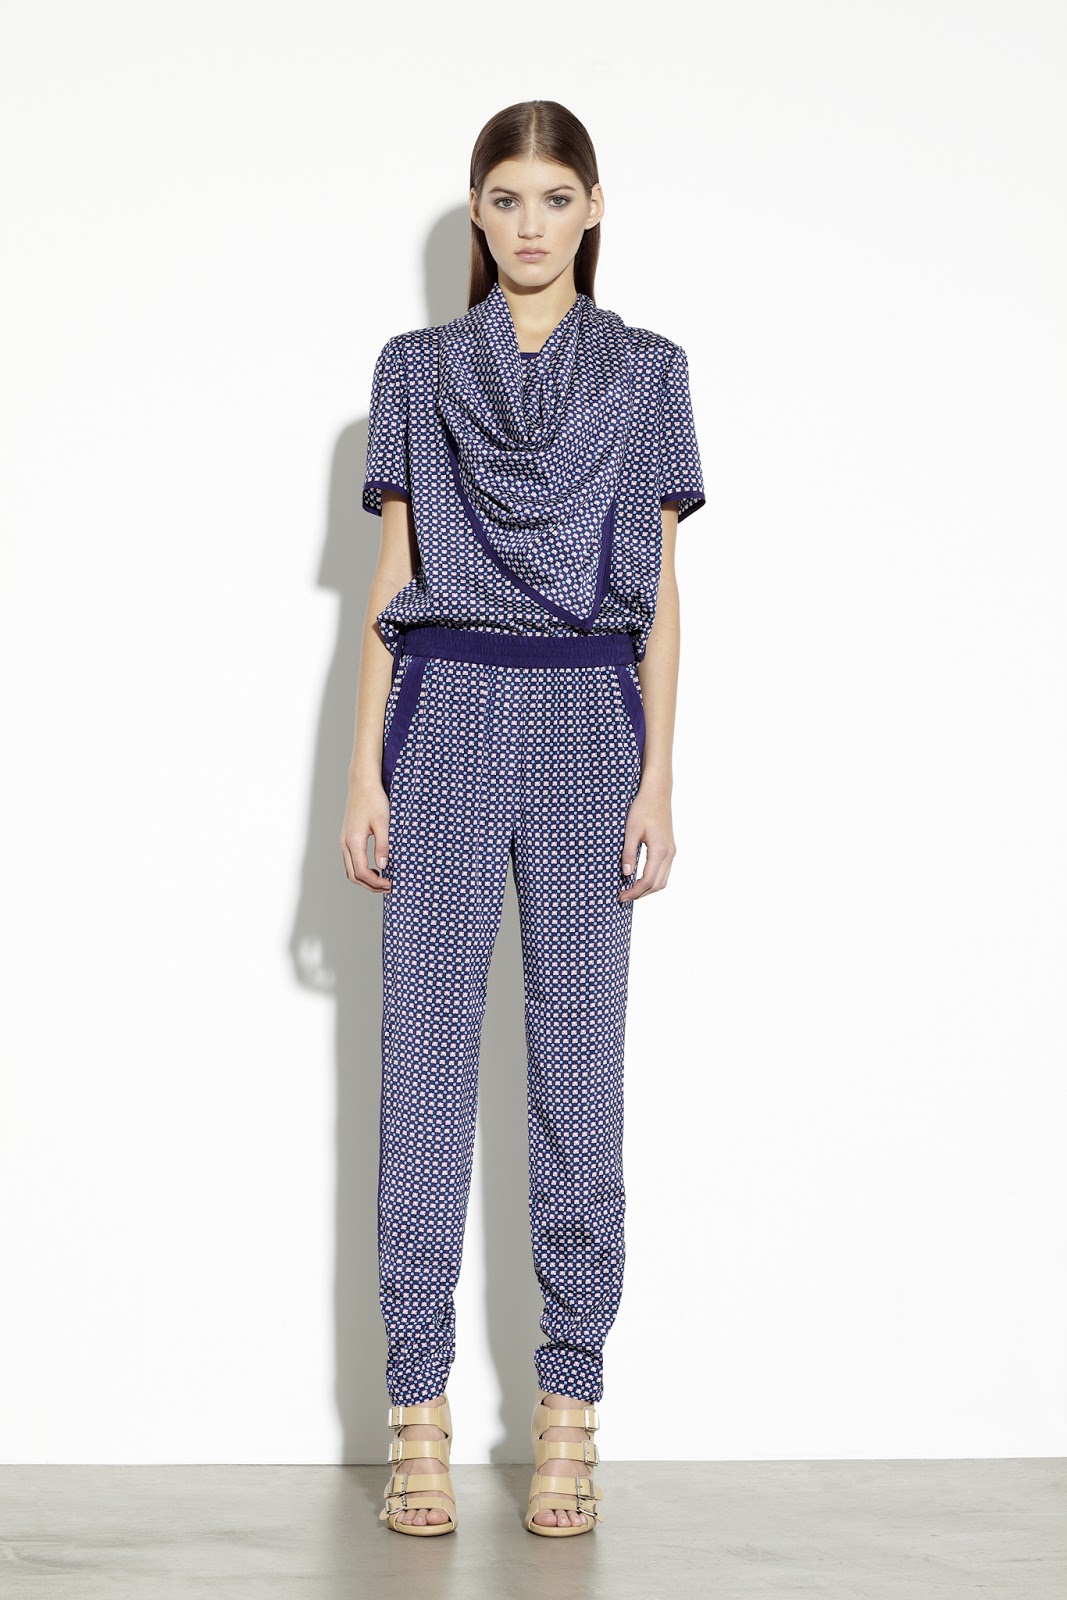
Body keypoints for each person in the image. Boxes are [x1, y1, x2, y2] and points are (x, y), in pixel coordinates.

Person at [340, 99, 705, 1539]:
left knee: (578, 1071)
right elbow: (390, 584)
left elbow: (660, 596)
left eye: (557, 197)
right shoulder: (416, 368)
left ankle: (570, 1413)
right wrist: (361, 774)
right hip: (442, 716)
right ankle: (415, 1417)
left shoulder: (651, 370)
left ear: (593, 208)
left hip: (588, 725)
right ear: (479, 213)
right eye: (507, 197)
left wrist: (658, 776)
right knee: (422, 1071)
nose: (532, 222)